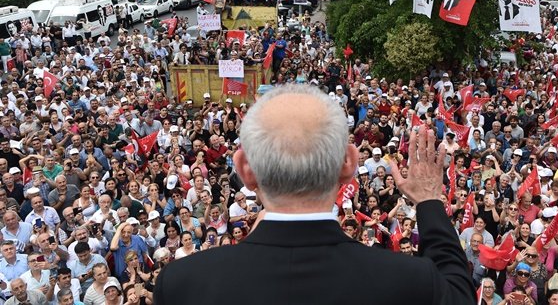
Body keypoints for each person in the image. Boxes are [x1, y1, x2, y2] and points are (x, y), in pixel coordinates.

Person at [154, 85, 474, 304]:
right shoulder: (411, 280)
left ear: (244, 169)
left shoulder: (182, 284)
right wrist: (430, 201)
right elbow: (459, 292)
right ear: (349, 163)